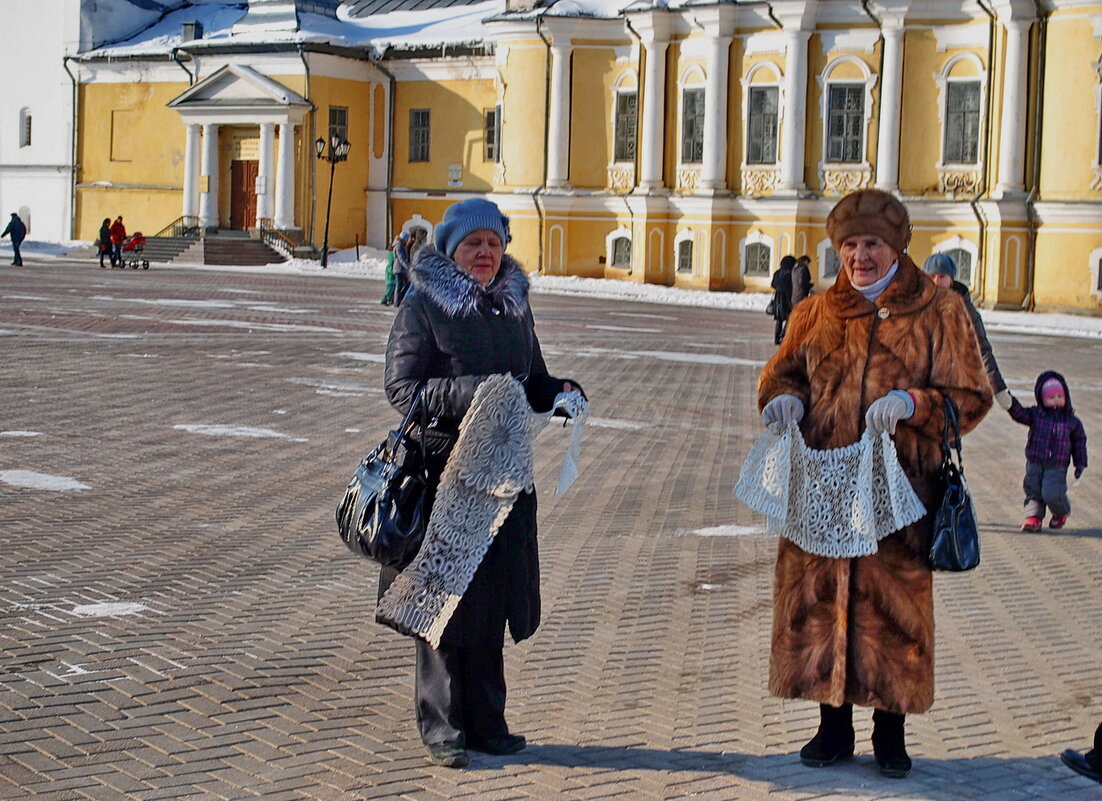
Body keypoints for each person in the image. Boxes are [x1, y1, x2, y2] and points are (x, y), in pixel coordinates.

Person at [756, 189, 992, 779]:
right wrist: (782, 401)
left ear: (897, 246)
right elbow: (781, 374)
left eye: (873, 244)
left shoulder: (939, 311)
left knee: (891, 612)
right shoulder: (813, 311)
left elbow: (971, 397)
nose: (860, 256)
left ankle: (891, 734)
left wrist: (914, 402)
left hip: (901, 491)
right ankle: (831, 728)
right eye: (851, 245)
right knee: (823, 603)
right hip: (824, 483)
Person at [383, 197, 580, 769]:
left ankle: (489, 723)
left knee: (490, 598)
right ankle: (443, 724)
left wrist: (561, 393)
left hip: (501, 478)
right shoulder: (423, 305)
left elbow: (533, 380)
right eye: (475, 245)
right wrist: (478, 393)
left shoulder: (514, 308)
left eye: (494, 244)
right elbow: (404, 390)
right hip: (443, 474)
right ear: (452, 249)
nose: (487, 255)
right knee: (442, 598)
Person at [923, 253, 1011, 409]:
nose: (936, 281)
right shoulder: (917, 308)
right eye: (932, 276)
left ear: (951, 279)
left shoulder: (966, 312)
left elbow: (981, 349)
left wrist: (998, 389)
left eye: (942, 276)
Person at [1006, 370, 1087, 531]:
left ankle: (1061, 512)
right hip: (1035, 462)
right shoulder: (1036, 415)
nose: (1056, 400)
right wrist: (1008, 401)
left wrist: (1080, 463)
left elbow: (1079, 442)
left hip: (1057, 466)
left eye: (1060, 396)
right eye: (1051, 397)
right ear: (1042, 399)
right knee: (1033, 490)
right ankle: (1034, 518)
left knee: (1051, 493)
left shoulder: (1072, 421)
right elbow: (1019, 413)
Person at [770, 255, 795, 344]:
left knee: (779, 319)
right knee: (790, 318)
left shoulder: (777, 273)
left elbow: (773, 284)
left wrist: (779, 288)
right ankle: (783, 335)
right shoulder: (790, 273)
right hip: (787, 298)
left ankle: (776, 338)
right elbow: (791, 286)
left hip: (778, 298)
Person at [392, 230, 412, 305]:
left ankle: (401, 299)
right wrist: (408, 267)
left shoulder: (402, 245)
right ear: (404, 239)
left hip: (402, 269)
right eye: (407, 239)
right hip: (399, 269)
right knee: (399, 286)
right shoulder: (399, 246)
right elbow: (401, 259)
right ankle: (397, 302)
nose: (407, 241)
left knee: (407, 284)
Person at [381, 234, 400, 305]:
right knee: (390, 287)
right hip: (390, 270)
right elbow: (391, 262)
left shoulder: (393, 251)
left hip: (391, 270)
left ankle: (390, 299)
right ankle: (385, 299)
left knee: (393, 286)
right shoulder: (391, 253)